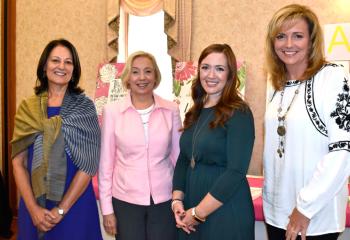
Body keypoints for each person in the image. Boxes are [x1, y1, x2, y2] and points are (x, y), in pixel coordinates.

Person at [263, 4, 350, 240]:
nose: (288, 44)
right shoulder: (274, 81)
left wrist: (305, 207)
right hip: (276, 212)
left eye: (297, 36)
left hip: (314, 216)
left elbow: (343, 151)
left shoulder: (332, 77)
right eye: (281, 36)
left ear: (312, 40)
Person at [11, 39, 102, 240]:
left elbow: (89, 165)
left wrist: (61, 210)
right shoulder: (27, 109)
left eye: (68, 62)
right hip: (33, 204)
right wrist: (33, 209)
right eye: (55, 60)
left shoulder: (85, 108)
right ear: (44, 67)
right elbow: (18, 163)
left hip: (75, 205)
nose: (62, 66)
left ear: (74, 69)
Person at [172, 43, 255, 240]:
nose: (211, 75)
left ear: (230, 74)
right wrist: (177, 200)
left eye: (220, 69)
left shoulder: (239, 112)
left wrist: (198, 213)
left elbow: (236, 171)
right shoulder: (195, 111)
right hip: (192, 207)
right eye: (205, 67)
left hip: (225, 209)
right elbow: (184, 159)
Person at [98, 51, 182, 240]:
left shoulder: (171, 110)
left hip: (164, 199)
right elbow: (106, 165)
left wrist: (181, 197)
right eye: (135, 72)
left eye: (148, 71)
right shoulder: (112, 112)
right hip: (125, 201)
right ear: (128, 77)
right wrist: (106, 209)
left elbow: (179, 159)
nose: (142, 77)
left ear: (156, 76)